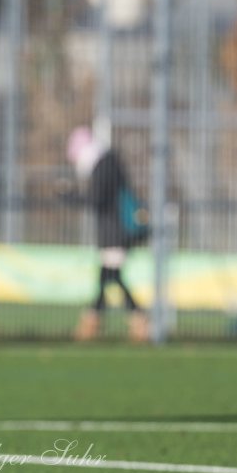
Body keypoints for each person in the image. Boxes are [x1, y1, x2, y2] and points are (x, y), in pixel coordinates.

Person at [66, 126, 149, 342]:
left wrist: (70, 198)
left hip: (115, 232)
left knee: (109, 277)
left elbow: (97, 199)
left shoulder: (104, 165)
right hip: (114, 231)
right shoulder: (108, 162)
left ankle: (100, 321)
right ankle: (104, 319)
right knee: (110, 277)